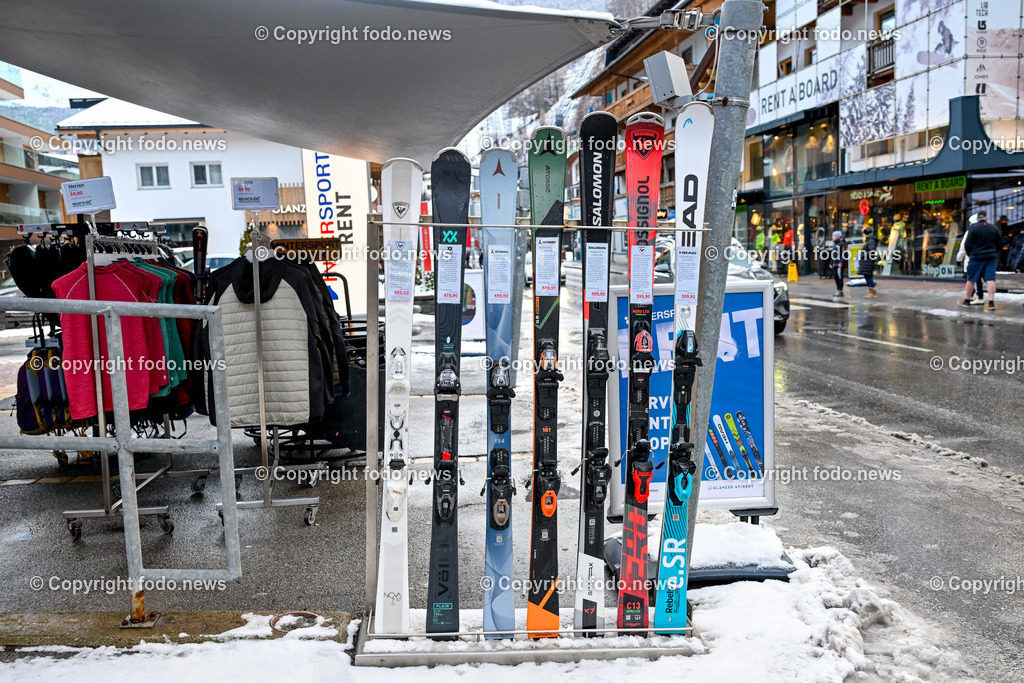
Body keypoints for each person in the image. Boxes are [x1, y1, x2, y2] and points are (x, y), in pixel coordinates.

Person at [959, 210, 1003, 311]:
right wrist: (994, 251)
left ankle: (967, 300)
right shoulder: (993, 228)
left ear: (978, 218)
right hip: (991, 257)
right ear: (986, 218)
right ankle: (991, 302)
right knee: (990, 279)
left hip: (976, 257)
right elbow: (1000, 242)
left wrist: (971, 254)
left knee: (971, 279)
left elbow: (967, 244)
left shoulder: (973, 228)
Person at [859, 226, 879, 298]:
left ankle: (872, 292)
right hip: (866, 261)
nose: (863, 235)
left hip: (868, 261)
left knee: (868, 276)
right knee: (867, 276)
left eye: (864, 234)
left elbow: (871, 251)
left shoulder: (871, 240)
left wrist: (863, 254)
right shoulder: (869, 240)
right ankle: (871, 291)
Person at [830, 230, 847, 299]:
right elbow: (833, 254)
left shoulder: (842, 244)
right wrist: (831, 262)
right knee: (836, 277)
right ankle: (838, 289)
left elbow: (843, 254)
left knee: (839, 277)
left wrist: (841, 262)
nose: (832, 237)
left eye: (833, 236)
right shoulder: (835, 244)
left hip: (839, 263)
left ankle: (840, 290)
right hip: (835, 263)